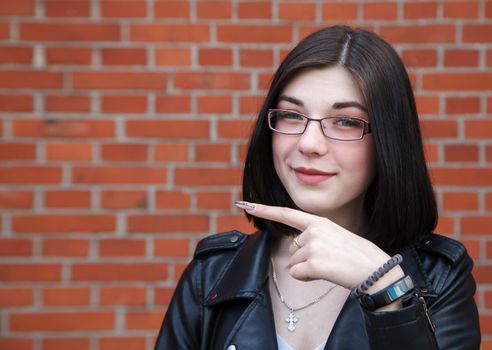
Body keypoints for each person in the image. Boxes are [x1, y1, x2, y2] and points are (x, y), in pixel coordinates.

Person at [154, 25, 481, 349]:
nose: (309, 143)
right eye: (292, 115)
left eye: (346, 121)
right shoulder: (211, 277)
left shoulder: (437, 280)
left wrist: (387, 291)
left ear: (389, 140)